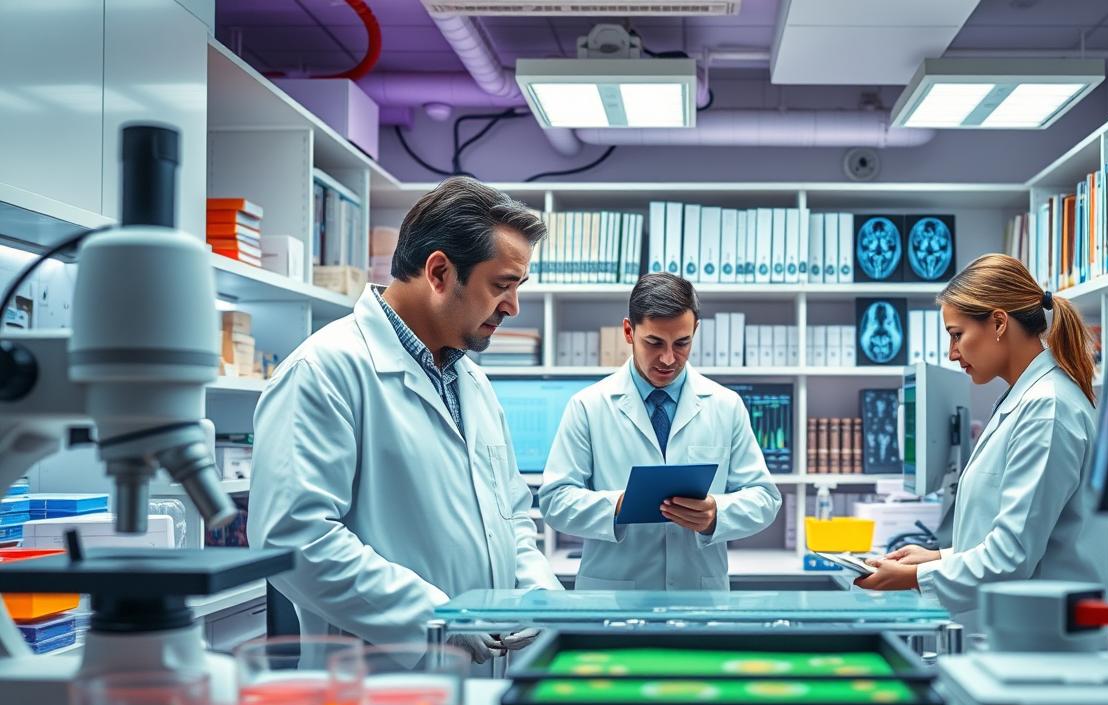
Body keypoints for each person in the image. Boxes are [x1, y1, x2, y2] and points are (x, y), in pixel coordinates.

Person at [249, 178, 561, 668]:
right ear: (439, 272)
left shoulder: (473, 384)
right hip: (380, 689)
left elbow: (512, 518)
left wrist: (540, 598)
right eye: (502, 285)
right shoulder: (325, 371)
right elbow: (295, 540)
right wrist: (435, 618)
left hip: (482, 678)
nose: (513, 307)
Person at [855, 253, 1107, 630]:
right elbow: (1009, 537)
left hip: (1043, 642)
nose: (952, 353)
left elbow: (1011, 557)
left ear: (999, 323)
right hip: (1018, 633)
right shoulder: (1023, 400)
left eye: (957, 335)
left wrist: (913, 578)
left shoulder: (1047, 408)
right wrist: (935, 558)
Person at [539, 273, 782, 590]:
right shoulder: (588, 406)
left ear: (695, 331)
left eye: (682, 343)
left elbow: (765, 498)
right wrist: (619, 506)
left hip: (699, 597)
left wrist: (715, 514)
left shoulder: (726, 405)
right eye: (654, 343)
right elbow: (555, 501)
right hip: (613, 597)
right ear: (629, 331)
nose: (668, 359)